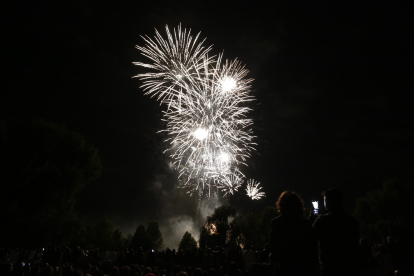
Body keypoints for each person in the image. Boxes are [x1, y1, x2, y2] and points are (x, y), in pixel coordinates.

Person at [269, 191, 318, 276]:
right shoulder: (305, 224)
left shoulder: (276, 223)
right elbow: (312, 248)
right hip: (302, 268)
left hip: (284, 267)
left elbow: (273, 246)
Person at [312, 188, 360, 276]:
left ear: (326, 200)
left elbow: (310, 239)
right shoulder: (351, 221)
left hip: (329, 267)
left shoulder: (322, 221)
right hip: (349, 266)